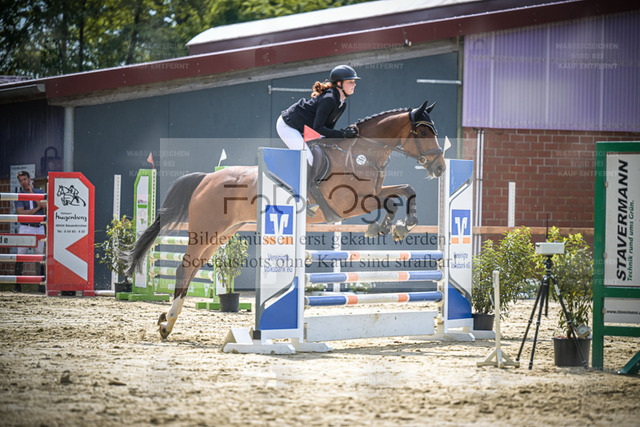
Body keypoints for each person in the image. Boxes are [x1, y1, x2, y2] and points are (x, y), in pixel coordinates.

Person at [277, 65, 361, 166]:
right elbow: (318, 128)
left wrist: (343, 135)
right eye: (350, 82)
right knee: (308, 158)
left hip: (305, 127)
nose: (354, 84)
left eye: (354, 81)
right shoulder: (329, 99)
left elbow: (327, 130)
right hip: (288, 125)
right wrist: (343, 134)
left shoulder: (341, 104)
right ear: (339, 84)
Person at [14, 171, 47, 292]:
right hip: (25, 227)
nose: (23, 182)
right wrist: (37, 208)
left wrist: (32, 192)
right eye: (21, 181)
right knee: (20, 255)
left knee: (39, 256)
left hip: (38, 227)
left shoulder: (39, 192)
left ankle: (41, 285)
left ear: (29, 179)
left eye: (25, 179)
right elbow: (21, 213)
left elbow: (45, 206)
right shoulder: (19, 195)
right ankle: (17, 285)